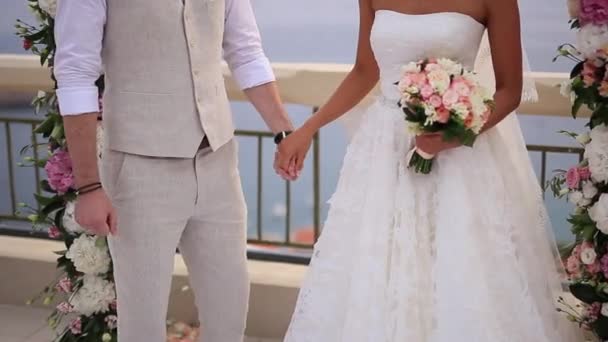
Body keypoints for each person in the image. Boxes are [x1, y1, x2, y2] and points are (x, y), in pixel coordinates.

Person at [275, 0, 582, 340]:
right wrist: (307, 129)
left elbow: (509, 91)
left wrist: (452, 135)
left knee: (457, 271)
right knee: (376, 267)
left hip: (460, 157)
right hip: (383, 153)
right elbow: (365, 70)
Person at [54, 0, 297, 341]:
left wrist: (284, 131)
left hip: (218, 161)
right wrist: (90, 187)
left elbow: (245, 51)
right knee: (142, 323)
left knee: (230, 313)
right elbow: (76, 73)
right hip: (140, 168)